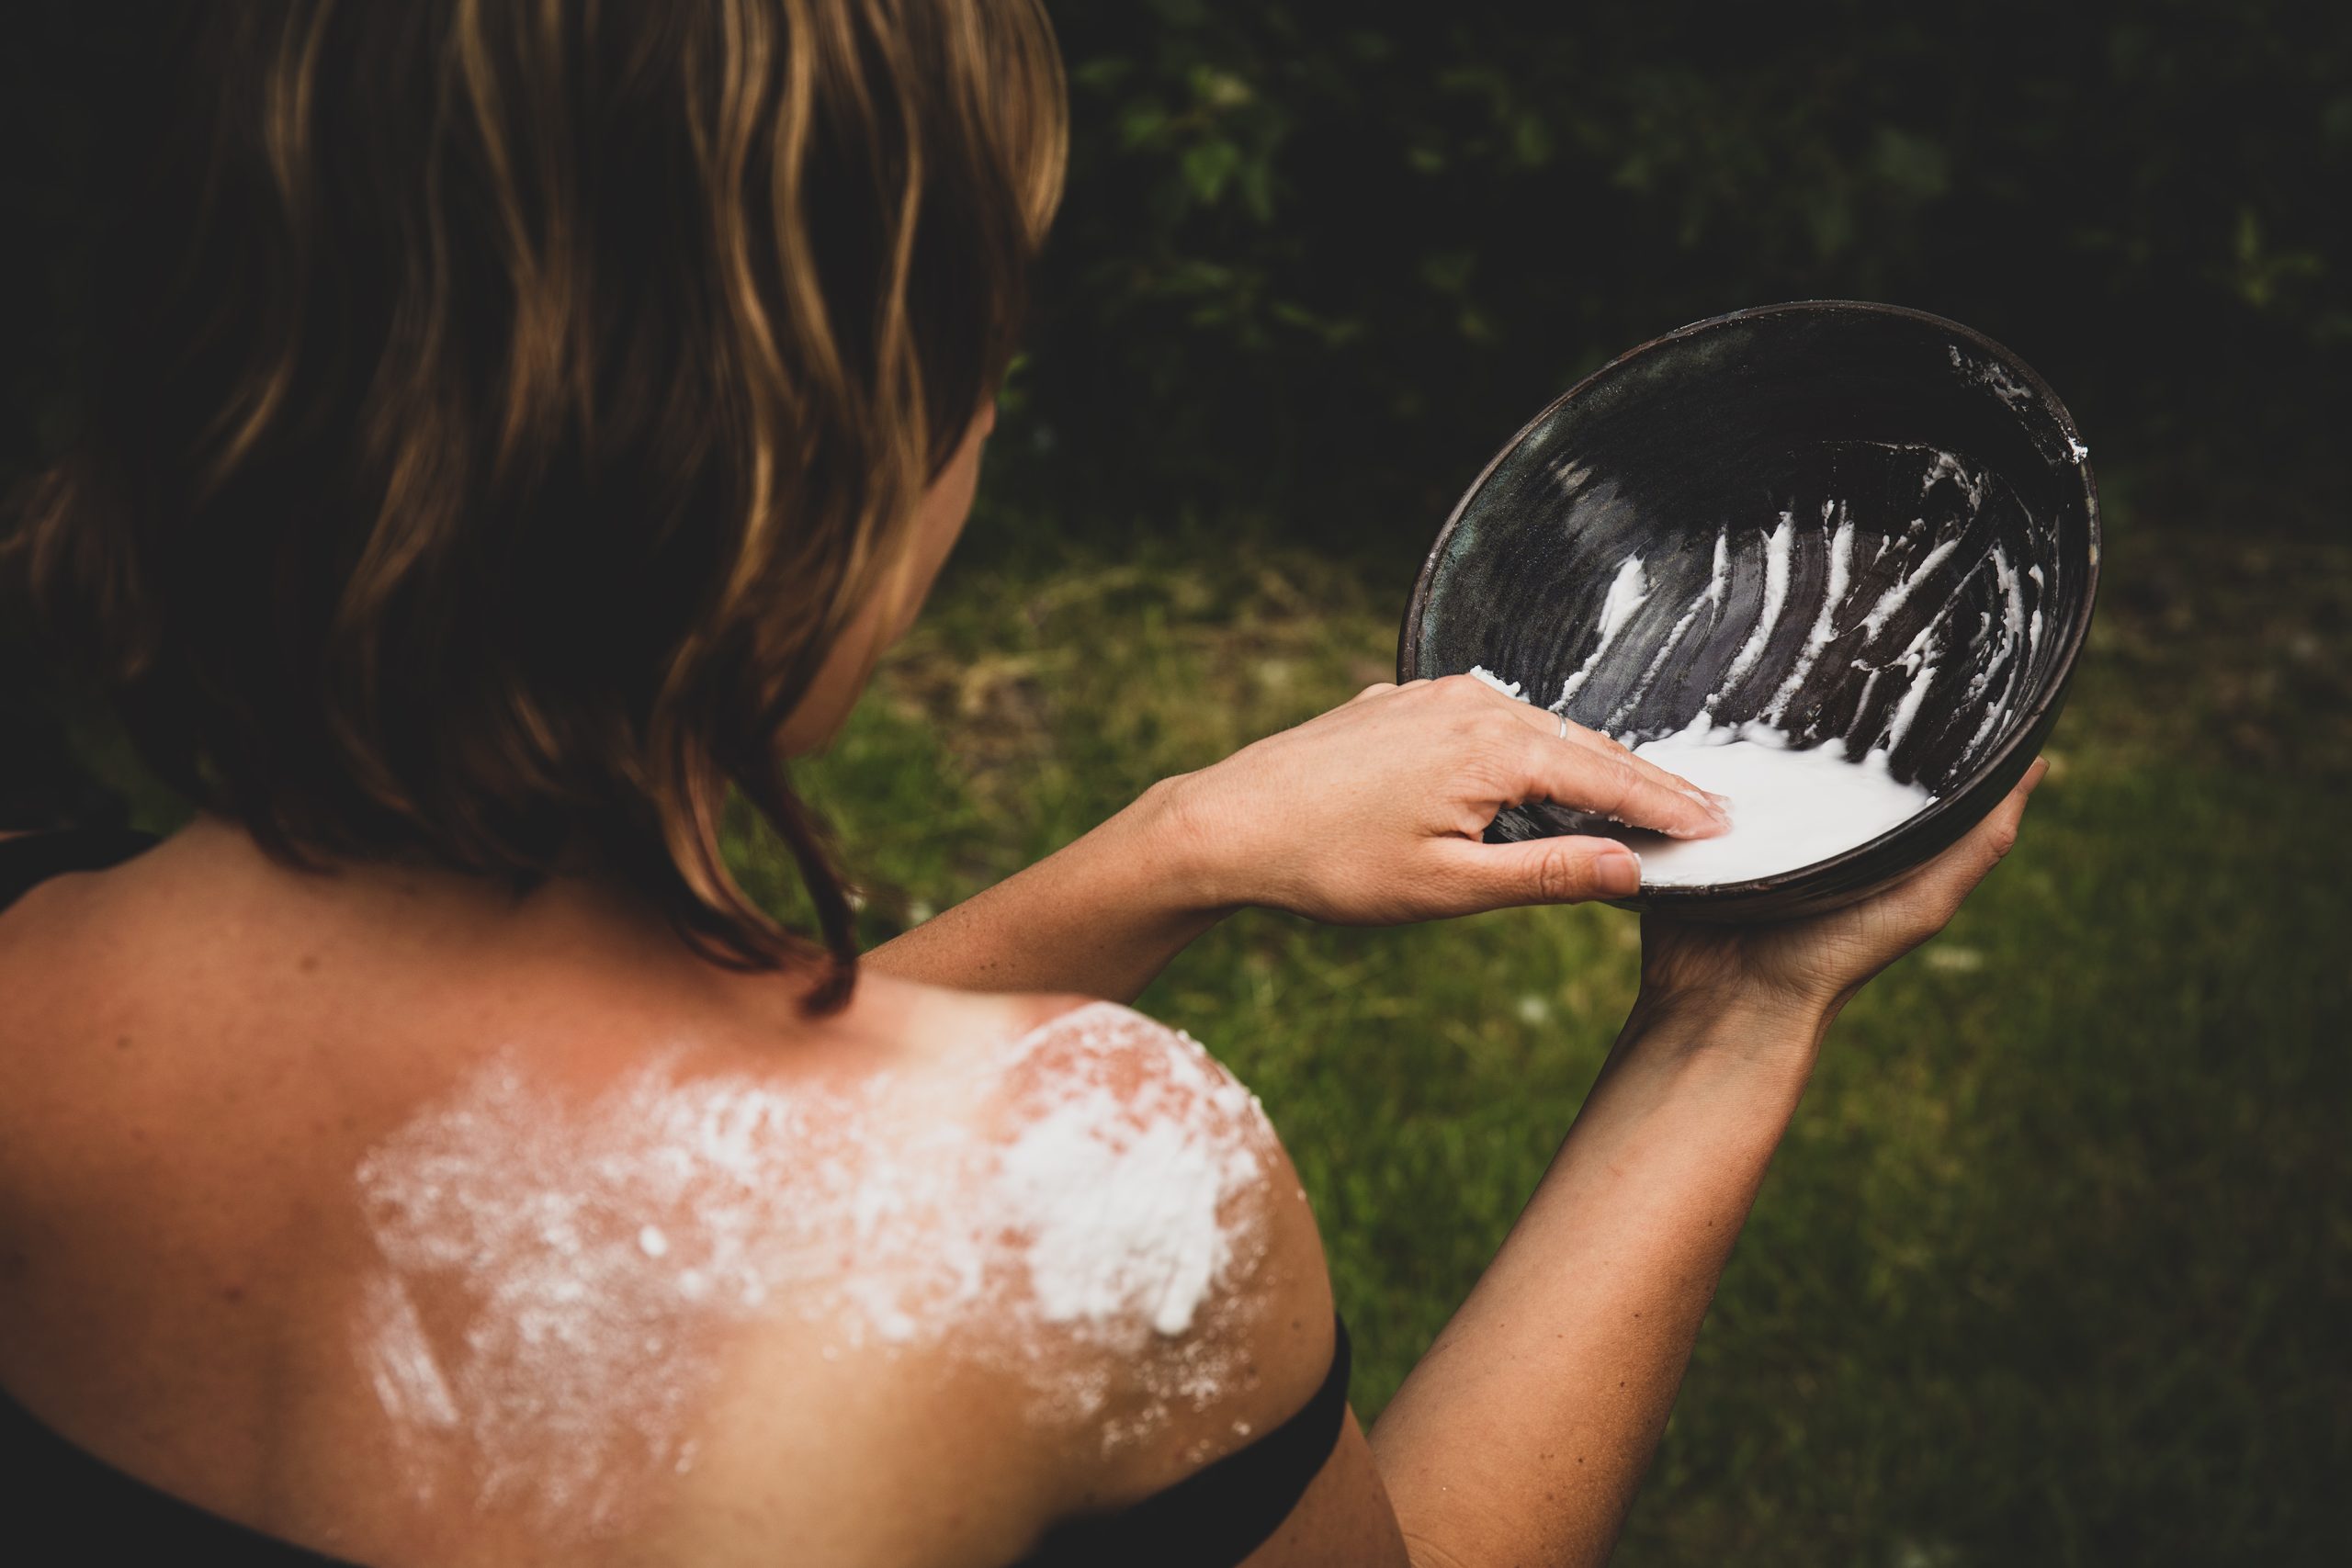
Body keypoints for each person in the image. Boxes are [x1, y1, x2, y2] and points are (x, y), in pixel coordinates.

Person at [0, 3, 2045, 1563]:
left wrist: (1178, 844)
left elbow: (615, 1159)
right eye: (969, 340)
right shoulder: (1077, 1194)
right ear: (814, 441)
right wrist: (1732, 1021)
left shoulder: (35, 952)